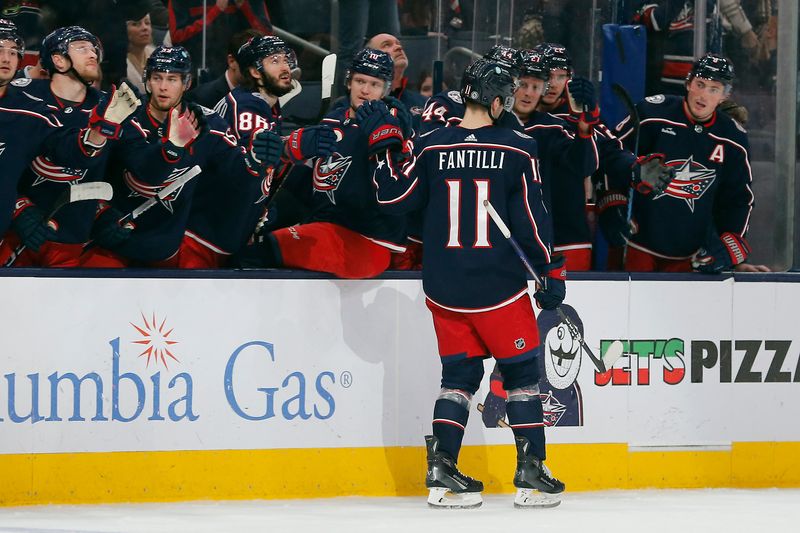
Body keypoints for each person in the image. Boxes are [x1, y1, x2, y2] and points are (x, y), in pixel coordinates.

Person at [369, 58, 566, 508]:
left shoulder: (430, 144)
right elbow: (533, 220)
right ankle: (532, 473)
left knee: (457, 378)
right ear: (497, 101)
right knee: (521, 377)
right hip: (499, 289)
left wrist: (381, 152)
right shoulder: (518, 147)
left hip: (444, 289)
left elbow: (393, 199)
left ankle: (441, 473)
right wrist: (549, 269)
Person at [80, 45, 280, 268]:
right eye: (157, 78)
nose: (163, 87)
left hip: (164, 248)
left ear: (187, 83)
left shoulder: (208, 125)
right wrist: (102, 215)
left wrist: (254, 160)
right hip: (113, 240)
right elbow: (101, 170)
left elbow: (234, 174)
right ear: (147, 80)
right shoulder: (125, 117)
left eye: (173, 79)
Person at [236, 48, 407, 279]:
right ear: (349, 81)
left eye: (374, 84)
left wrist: (391, 132)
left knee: (260, 253)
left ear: (386, 88)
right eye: (360, 81)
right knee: (244, 240)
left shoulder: (391, 119)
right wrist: (290, 147)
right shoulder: (333, 119)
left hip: (366, 240)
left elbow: (400, 144)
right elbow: (308, 179)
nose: (365, 90)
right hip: (326, 225)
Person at [4, 26, 144, 267]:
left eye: (93, 49)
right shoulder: (21, 98)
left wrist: (101, 213)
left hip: (71, 240)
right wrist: (18, 208)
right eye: (81, 48)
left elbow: (135, 164)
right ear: (58, 60)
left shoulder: (109, 106)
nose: (92, 54)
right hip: (13, 232)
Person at [614, 53, 755, 273]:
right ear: (688, 83)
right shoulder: (652, 113)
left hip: (691, 256)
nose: (703, 95)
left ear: (724, 97)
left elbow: (738, 199)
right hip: (636, 245)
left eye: (713, 89)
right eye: (700, 84)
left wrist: (731, 248)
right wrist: (613, 203)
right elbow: (610, 152)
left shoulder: (733, 139)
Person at [167, 0, 272, 79]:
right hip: (198, 75)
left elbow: (266, 36)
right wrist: (215, 11)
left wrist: (244, 7)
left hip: (241, 74)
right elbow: (177, 37)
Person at [185, 28, 262, 108]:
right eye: (252, 64)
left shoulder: (269, 96)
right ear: (231, 61)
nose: (258, 70)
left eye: (261, 64)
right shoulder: (200, 99)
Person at [365, 32, 427, 118]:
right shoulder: (357, 101)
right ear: (371, 58)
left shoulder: (424, 103)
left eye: (398, 44)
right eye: (387, 45)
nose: (399, 47)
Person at [125, 7, 156, 93]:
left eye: (147, 23)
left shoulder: (156, 54)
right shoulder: (119, 64)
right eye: (136, 24)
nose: (145, 28)